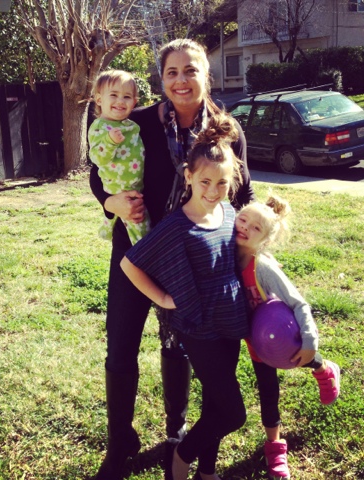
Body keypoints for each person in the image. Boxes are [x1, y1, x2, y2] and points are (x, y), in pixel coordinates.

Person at [89, 39, 255, 480]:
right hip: (137, 250)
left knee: (177, 344)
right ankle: (119, 443)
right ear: (161, 79)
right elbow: (98, 172)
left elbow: (243, 192)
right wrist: (110, 203)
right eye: (172, 72)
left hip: (194, 259)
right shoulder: (138, 121)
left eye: (190, 70)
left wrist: (253, 241)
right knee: (120, 348)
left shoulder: (226, 130)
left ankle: (176, 432)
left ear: (206, 74)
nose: (181, 80)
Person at [121, 113, 248, 480]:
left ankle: (207, 472)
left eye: (222, 182)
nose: (213, 190)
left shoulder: (229, 213)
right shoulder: (177, 225)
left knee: (215, 405)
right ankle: (182, 454)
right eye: (205, 181)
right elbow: (130, 264)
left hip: (230, 322)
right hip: (200, 328)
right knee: (234, 414)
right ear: (189, 176)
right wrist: (163, 299)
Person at [235, 194, 341, 480]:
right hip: (255, 341)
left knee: (294, 361)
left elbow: (299, 303)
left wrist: (310, 342)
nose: (245, 227)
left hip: (279, 333)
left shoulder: (263, 267)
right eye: (243, 219)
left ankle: (276, 448)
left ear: (265, 240)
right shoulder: (225, 254)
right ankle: (274, 443)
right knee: (266, 390)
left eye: (256, 228)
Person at [88, 70, 150, 245]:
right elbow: (97, 159)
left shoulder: (131, 125)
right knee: (140, 227)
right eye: (114, 95)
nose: (120, 101)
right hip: (120, 188)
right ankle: (144, 252)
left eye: (127, 97)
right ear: (99, 100)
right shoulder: (99, 127)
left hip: (136, 184)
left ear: (134, 102)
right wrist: (109, 142)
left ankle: (108, 225)